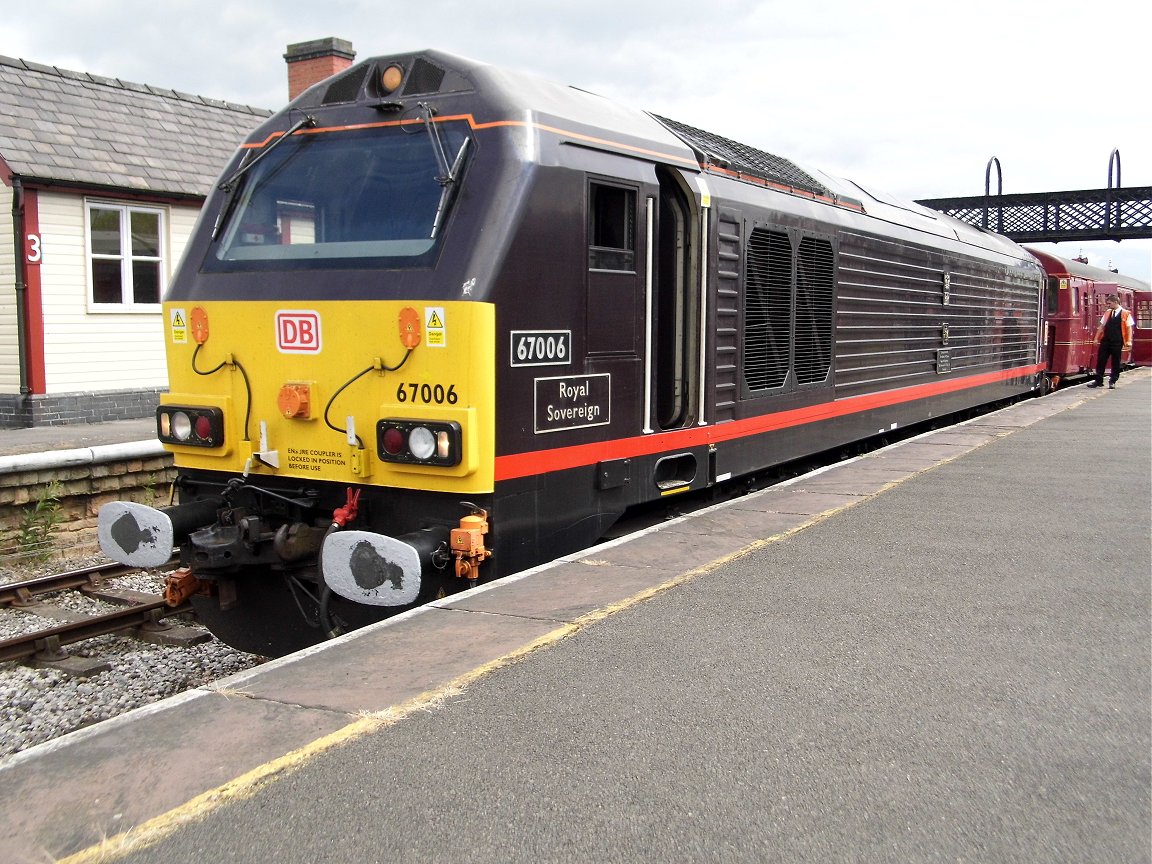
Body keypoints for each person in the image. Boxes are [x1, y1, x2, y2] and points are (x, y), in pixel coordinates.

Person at [1086, 294, 1134, 389]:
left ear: (1116, 302)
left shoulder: (1126, 313)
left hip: (1117, 341)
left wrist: (1129, 341)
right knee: (1101, 360)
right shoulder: (1108, 312)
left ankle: (1113, 381)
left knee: (1115, 361)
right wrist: (1096, 338)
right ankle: (1098, 380)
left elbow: (1129, 328)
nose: (1108, 305)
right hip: (1106, 340)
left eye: (1109, 303)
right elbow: (1102, 326)